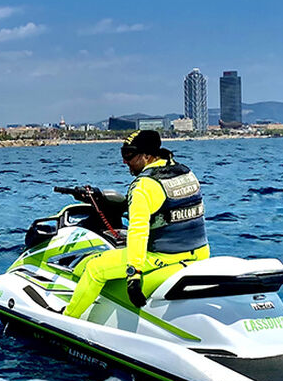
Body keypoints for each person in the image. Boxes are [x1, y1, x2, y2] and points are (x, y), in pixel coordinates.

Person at [63, 129, 210, 319]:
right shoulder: (186, 173)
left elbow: (138, 233)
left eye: (129, 155)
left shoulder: (142, 186)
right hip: (200, 253)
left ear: (147, 156)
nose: (125, 161)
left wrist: (134, 275)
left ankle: (67, 318)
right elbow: (167, 208)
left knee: (94, 268)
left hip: (163, 257)